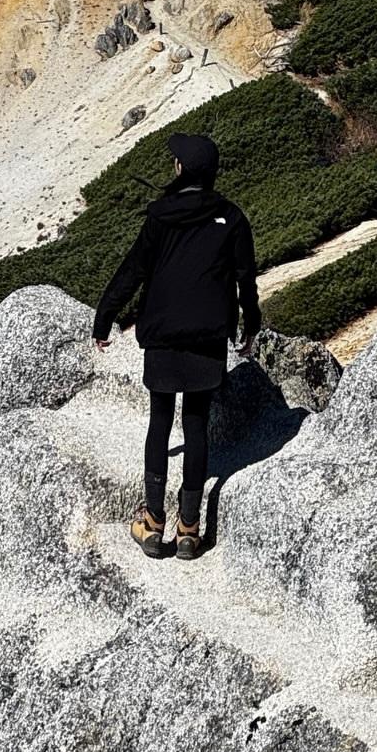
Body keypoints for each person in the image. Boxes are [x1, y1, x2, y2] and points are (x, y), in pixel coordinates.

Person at [93, 131, 260, 560]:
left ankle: (153, 523)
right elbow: (245, 278)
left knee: (160, 421)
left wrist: (105, 317)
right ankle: (189, 528)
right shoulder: (231, 217)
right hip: (207, 336)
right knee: (197, 424)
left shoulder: (160, 217)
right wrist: (251, 324)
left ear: (181, 169)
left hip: (164, 335)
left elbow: (131, 270)